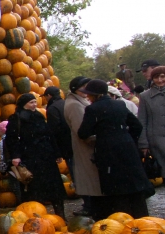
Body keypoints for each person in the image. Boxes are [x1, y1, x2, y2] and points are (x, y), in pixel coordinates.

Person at [77, 79, 153, 220]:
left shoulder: (92, 109)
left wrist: (101, 134)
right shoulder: (119, 104)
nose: (87, 97)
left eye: (89, 94)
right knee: (133, 185)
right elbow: (137, 126)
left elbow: (83, 133)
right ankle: (141, 216)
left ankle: (122, 219)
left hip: (108, 151)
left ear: (96, 95)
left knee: (116, 188)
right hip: (127, 148)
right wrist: (128, 139)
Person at [4, 93, 66, 219]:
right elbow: (12, 139)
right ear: (23, 104)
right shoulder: (16, 118)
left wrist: (57, 152)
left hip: (46, 155)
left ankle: (61, 216)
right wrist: (16, 156)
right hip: (30, 157)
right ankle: (36, 218)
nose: (34, 104)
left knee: (54, 187)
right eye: (31, 102)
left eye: (34, 102)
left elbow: (49, 135)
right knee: (34, 188)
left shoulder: (39, 115)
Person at [63, 76, 102, 218]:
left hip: (88, 146)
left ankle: (93, 207)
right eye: (84, 87)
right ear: (76, 89)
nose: (87, 90)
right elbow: (82, 131)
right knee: (90, 178)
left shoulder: (81, 101)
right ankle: (92, 208)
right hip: (85, 147)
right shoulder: (74, 105)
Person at [137, 64, 165, 179]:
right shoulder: (145, 96)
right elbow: (142, 120)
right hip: (155, 141)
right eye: (156, 77)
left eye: (163, 76)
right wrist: (143, 144)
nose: (160, 80)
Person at [43, 86, 73, 174]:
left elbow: (54, 130)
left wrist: (57, 151)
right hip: (74, 141)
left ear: (49, 95)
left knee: (73, 168)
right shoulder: (66, 103)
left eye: (45, 97)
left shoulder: (52, 108)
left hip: (65, 145)